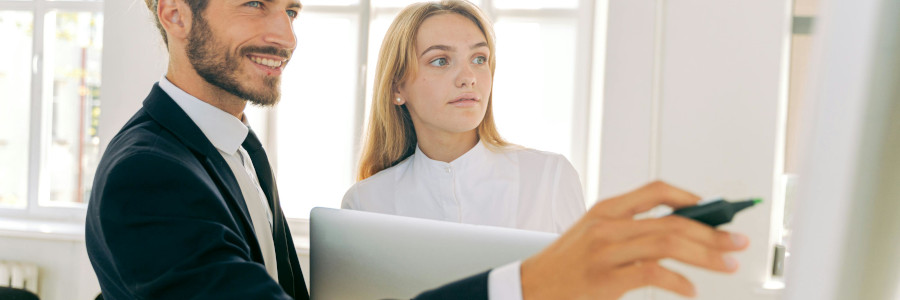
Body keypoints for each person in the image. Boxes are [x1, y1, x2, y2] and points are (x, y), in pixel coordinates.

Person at [85, 0, 750, 299]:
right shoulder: (151, 172)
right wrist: (523, 285)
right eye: (255, 3)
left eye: (291, 10)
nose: (282, 34)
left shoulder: (236, 147)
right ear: (173, 13)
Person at [341, 1, 585, 234]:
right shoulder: (365, 203)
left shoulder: (549, 179)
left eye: (479, 59)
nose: (468, 77)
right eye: (440, 61)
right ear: (397, 88)